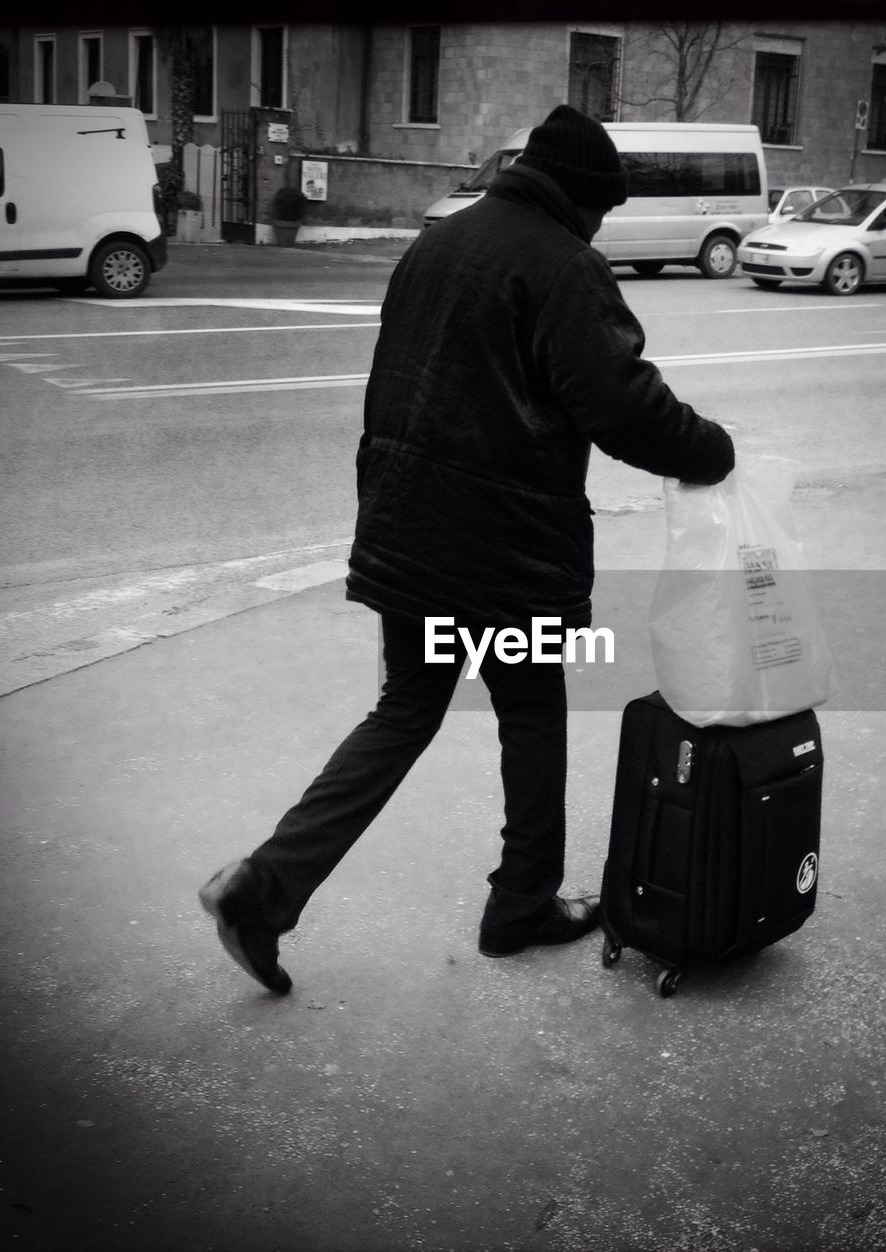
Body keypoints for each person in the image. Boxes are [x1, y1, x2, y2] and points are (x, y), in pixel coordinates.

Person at [199, 104, 734, 993]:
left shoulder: (441, 242)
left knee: (406, 709)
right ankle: (520, 903)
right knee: (531, 712)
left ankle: (266, 884)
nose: (599, 228)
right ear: (583, 199)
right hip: (502, 552)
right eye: (602, 212)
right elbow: (622, 406)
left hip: (408, 526)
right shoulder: (563, 264)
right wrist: (715, 453)